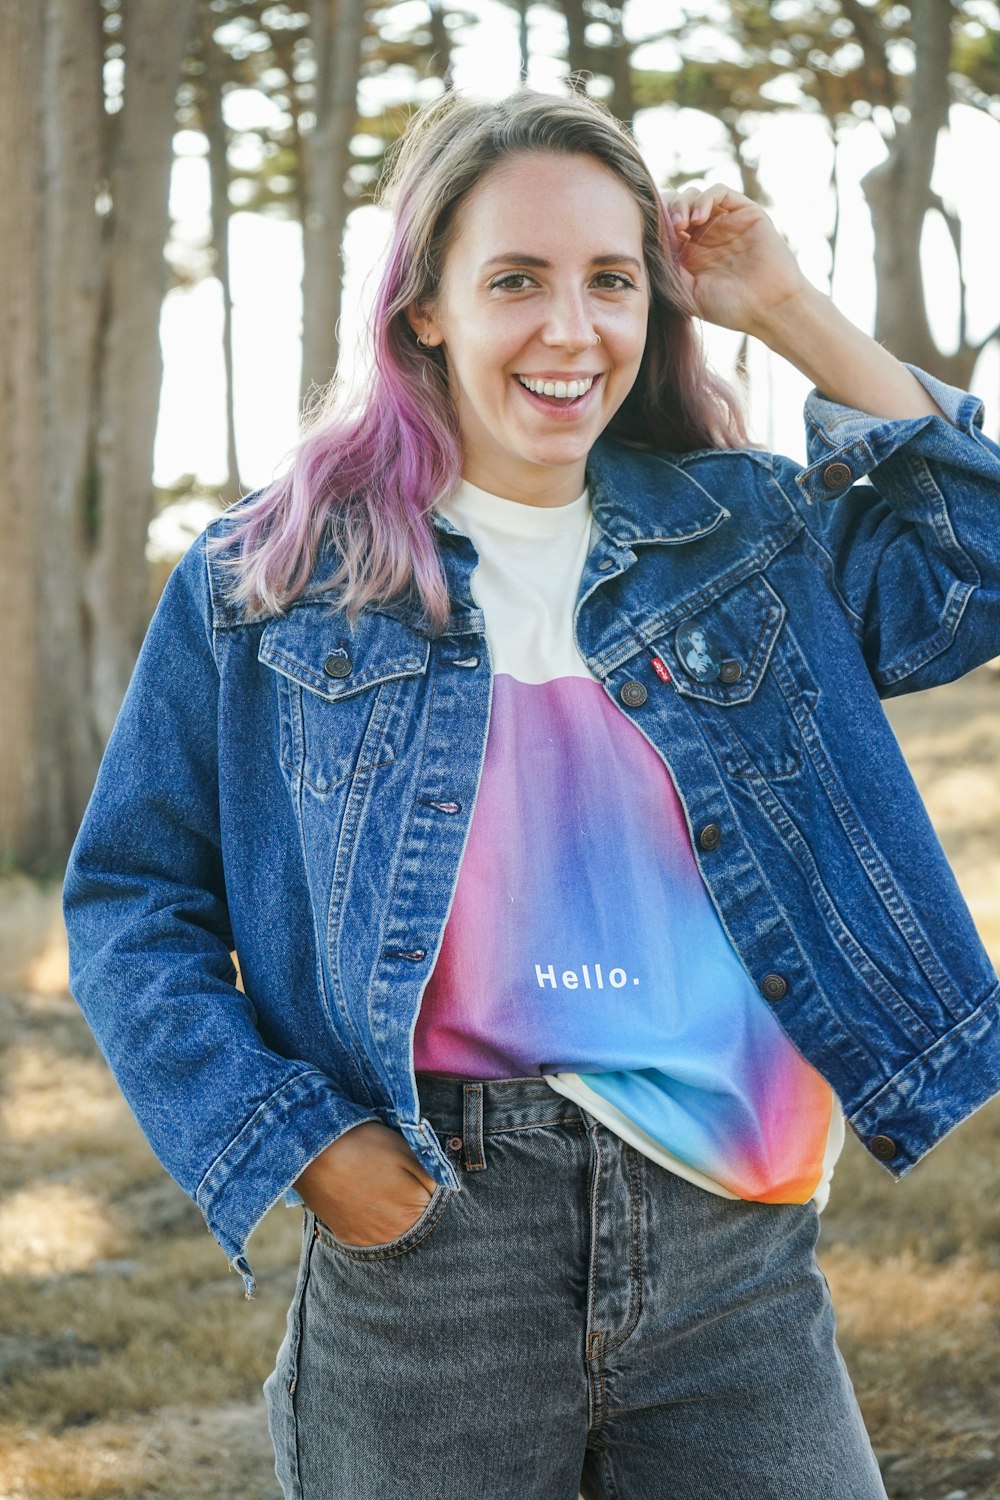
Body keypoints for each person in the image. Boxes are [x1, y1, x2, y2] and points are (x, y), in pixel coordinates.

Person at [63, 89, 1000, 1500]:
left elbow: (974, 559)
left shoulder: (746, 534)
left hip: (728, 1251)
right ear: (424, 305)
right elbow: (134, 898)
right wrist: (297, 1146)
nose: (574, 330)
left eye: (612, 281)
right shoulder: (267, 582)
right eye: (517, 280)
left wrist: (788, 303)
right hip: (432, 1243)